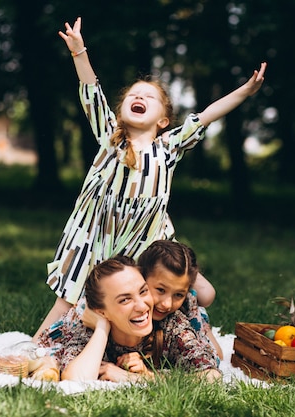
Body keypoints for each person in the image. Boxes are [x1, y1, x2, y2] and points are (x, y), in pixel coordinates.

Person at [33, 16, 268, 341]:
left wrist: (246, 90)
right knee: (70, 297)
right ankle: (38, 345)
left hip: (148, 244)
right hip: (100, 240)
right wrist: (78, 52)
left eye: (149, 97)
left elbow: (209, 114)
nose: (138, 98)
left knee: (204, 293)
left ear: (163, 120)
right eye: (132, 95)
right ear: (120, 111)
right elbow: (90, 90)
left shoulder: (169, 146)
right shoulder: (110, 136)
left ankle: (186, 332)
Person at [52, 256, 221, 382]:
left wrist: (141, 378)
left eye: (143, 291)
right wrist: (102, 328)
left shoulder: (171, 324)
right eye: (125, 299)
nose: (142, 306)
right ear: (101, 312)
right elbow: (75, 380)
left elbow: (212, 377)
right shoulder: (87, 326)